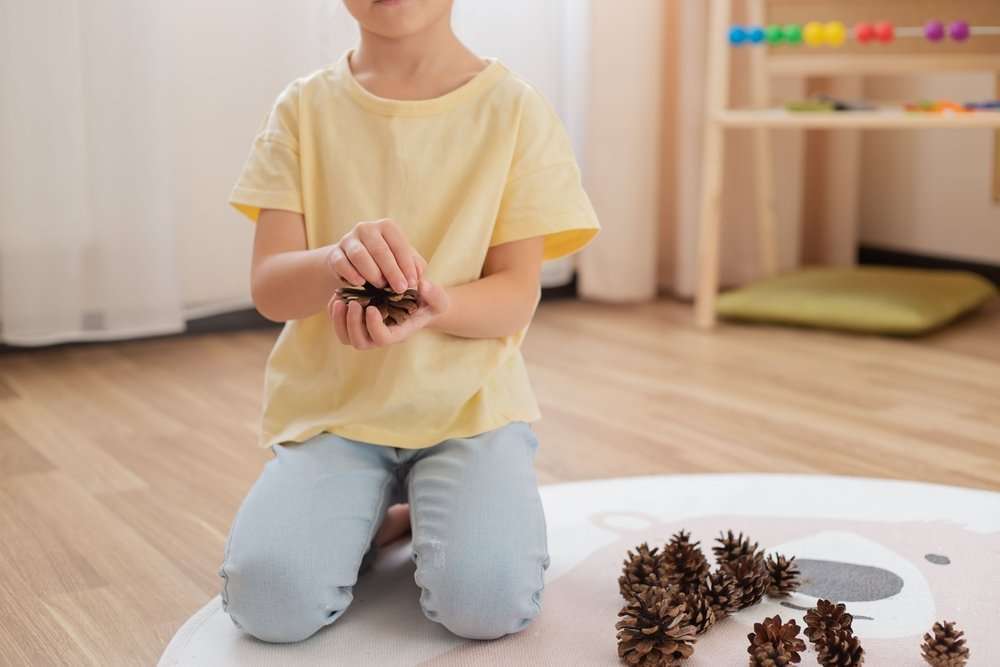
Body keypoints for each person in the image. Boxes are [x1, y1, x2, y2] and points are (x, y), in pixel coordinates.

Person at [220, 0, 599, 644]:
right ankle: (384, 516)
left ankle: (439, 508)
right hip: (334, 412)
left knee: (485, 606)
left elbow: (515, 296)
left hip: (469, 411)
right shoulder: (303, 109)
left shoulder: (515, 110)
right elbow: (271, 289)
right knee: (269, 604)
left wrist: (436, 306)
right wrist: (334, 261)